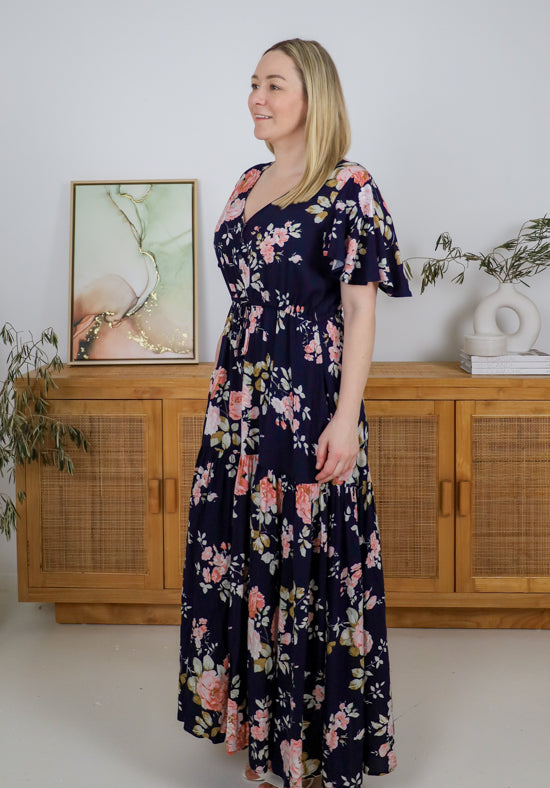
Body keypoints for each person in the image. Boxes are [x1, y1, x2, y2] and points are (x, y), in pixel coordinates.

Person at [178, 38, 411, 788]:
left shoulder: (349, 185)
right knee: (245, 551)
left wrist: (346, 418)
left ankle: (309, 748)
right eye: (253, 83)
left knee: (308, 564)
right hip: (239, 402)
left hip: (308, 399)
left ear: (313, 96)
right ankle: (258, 730)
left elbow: (359, 308)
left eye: (274, 84)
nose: (257, 97)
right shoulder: (249, 179)